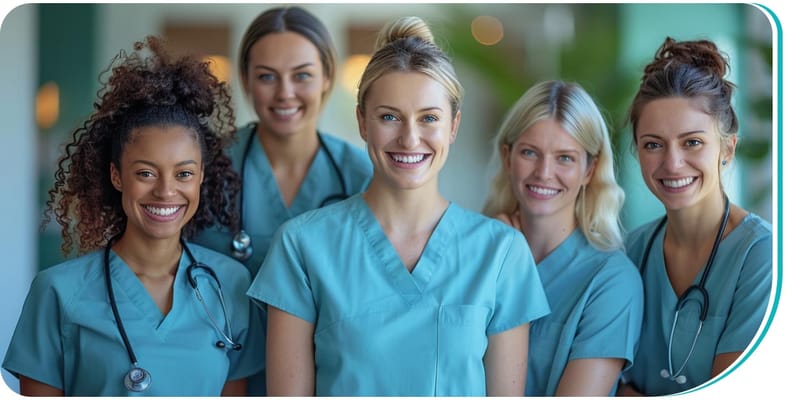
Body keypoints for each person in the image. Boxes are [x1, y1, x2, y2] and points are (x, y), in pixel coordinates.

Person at [246, 16, 550, 396]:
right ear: (362, 122)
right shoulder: (302, 246)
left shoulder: (500, 253)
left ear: (453, 126)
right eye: (389, 117)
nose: (409, 138)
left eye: (429, 119)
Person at [2, 36, 264, 396]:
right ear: (116, 176)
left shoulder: (229, 285)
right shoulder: (58, 292)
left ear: (202, 176)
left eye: (184, 173)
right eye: (146, 173)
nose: (166, 191)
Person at [617, 37, 772, 396]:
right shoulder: (631, 251)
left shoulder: (762, 256)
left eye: (692, 142)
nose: (672, 164)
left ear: (727, 149)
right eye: (653, 144)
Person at [482, 80, 644, 396]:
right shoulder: (479, 252)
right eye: (530, 152)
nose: (544, 172)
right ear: (507, 156)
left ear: (589, 169)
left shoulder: (611, 282)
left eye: (565, 158)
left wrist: (514, 285)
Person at [192, 6, 372, 275]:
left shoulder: (361, 175)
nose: (285, 93)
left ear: (327, 77)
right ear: (246, 80)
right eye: (267, 76)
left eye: (302, 75)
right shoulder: (205, 165)